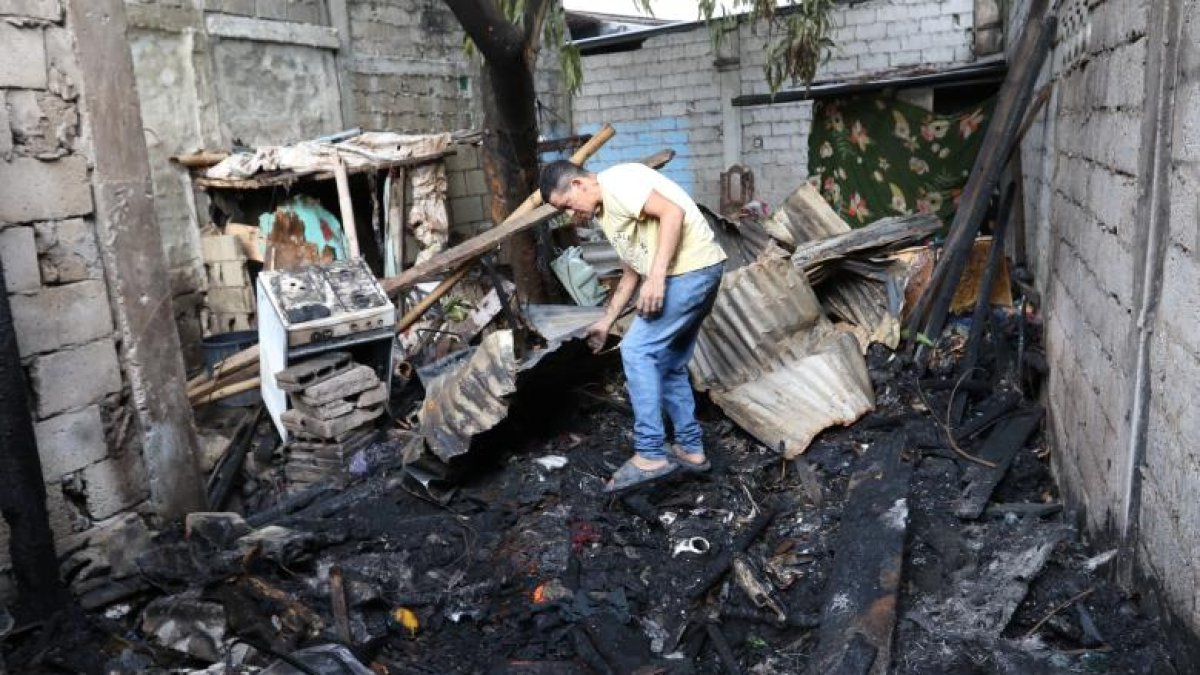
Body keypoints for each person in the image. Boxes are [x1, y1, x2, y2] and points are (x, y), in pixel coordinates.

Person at [539, 160, 727, 492]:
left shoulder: (618, 181)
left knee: (637, 350)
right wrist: (605, 321)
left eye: (567, 205)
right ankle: (690, 449)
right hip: (698, 271)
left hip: (688, 272)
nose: (570, 214)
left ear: (580, 184)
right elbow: (630, 273)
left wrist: (656, 280)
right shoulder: (608, 212)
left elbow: (672, 213)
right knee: (670, 364)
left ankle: (650, 453)